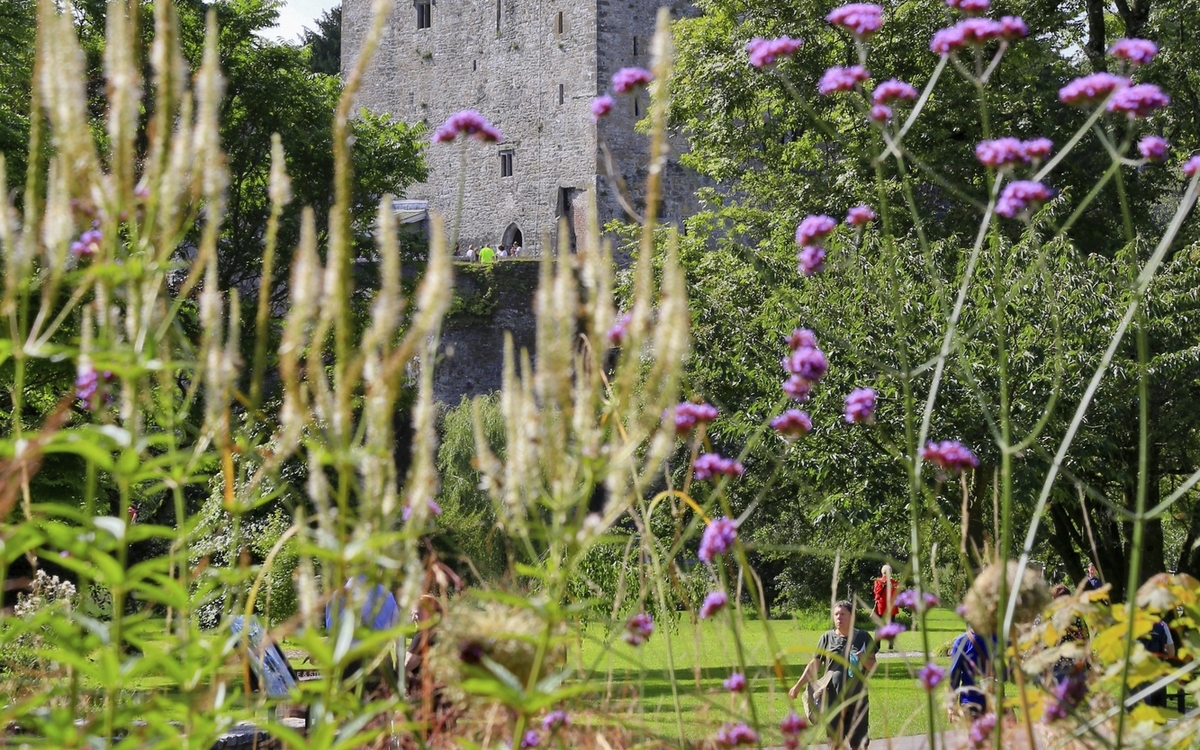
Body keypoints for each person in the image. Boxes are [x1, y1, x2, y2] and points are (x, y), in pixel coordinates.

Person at [788, 600, 877, 749]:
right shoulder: (827, 638)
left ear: (852, 616)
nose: (838, 618)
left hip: (857, 699)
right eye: (836, 614)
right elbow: (814, 665)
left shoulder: (864, 637)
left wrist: (863, 658)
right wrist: (798, 686)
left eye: (843, 614)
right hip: (833, 701)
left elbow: (873, 665)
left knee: (859, 744)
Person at [948, 624, 992, 717]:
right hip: (972, 703)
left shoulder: (961, 642)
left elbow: (954, 677)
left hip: (986, 701)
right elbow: (954, 676)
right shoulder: (961, 642)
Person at [872, 564, 900, 649]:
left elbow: (876, 593)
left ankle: (877, 645)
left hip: (881, 607)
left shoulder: (878, 582)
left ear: (882, 572)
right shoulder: (895, 583)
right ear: (890, 572)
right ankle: (890, 644)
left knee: (878, 626)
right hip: (892, 608)